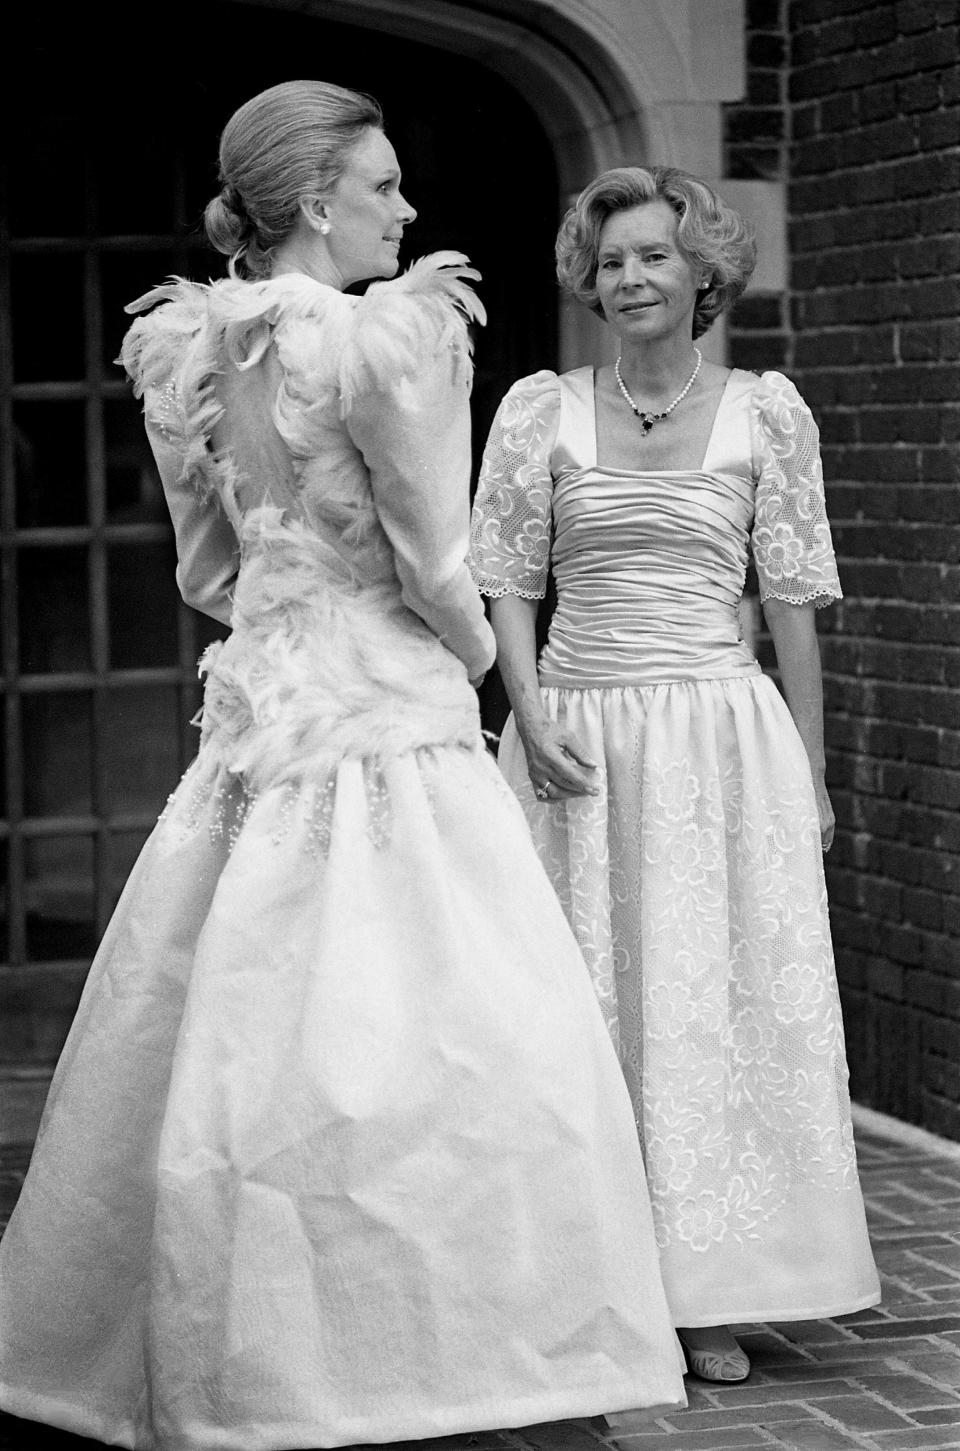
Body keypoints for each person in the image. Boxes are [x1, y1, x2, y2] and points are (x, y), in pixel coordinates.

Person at [0, 88, 687, 1447]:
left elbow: (206, 573)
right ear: (318, 200)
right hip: (388, 713)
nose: (408, 208)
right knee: (455, 1030)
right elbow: (441, 559)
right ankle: (435, 1351)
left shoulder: (184, 346)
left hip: (266, 709)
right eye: (383, 184)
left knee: (235, 1026)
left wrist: (287, 603)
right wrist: (467, 650)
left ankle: (247, 1351)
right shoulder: (392, 338)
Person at [469, 165, 881, 1385]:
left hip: (720, 743)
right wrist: (528, 711)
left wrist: (807, 774)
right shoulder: (540, 410)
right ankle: (581, 1278)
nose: (631, 278)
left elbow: (795, 604)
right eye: (609, 263)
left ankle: (710, 1288)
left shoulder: (769, 413)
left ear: (703, 271)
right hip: (577, 741)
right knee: (575, 1005)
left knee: (707, 1006)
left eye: (653, 256)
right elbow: (508, 577)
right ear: (587, 285)